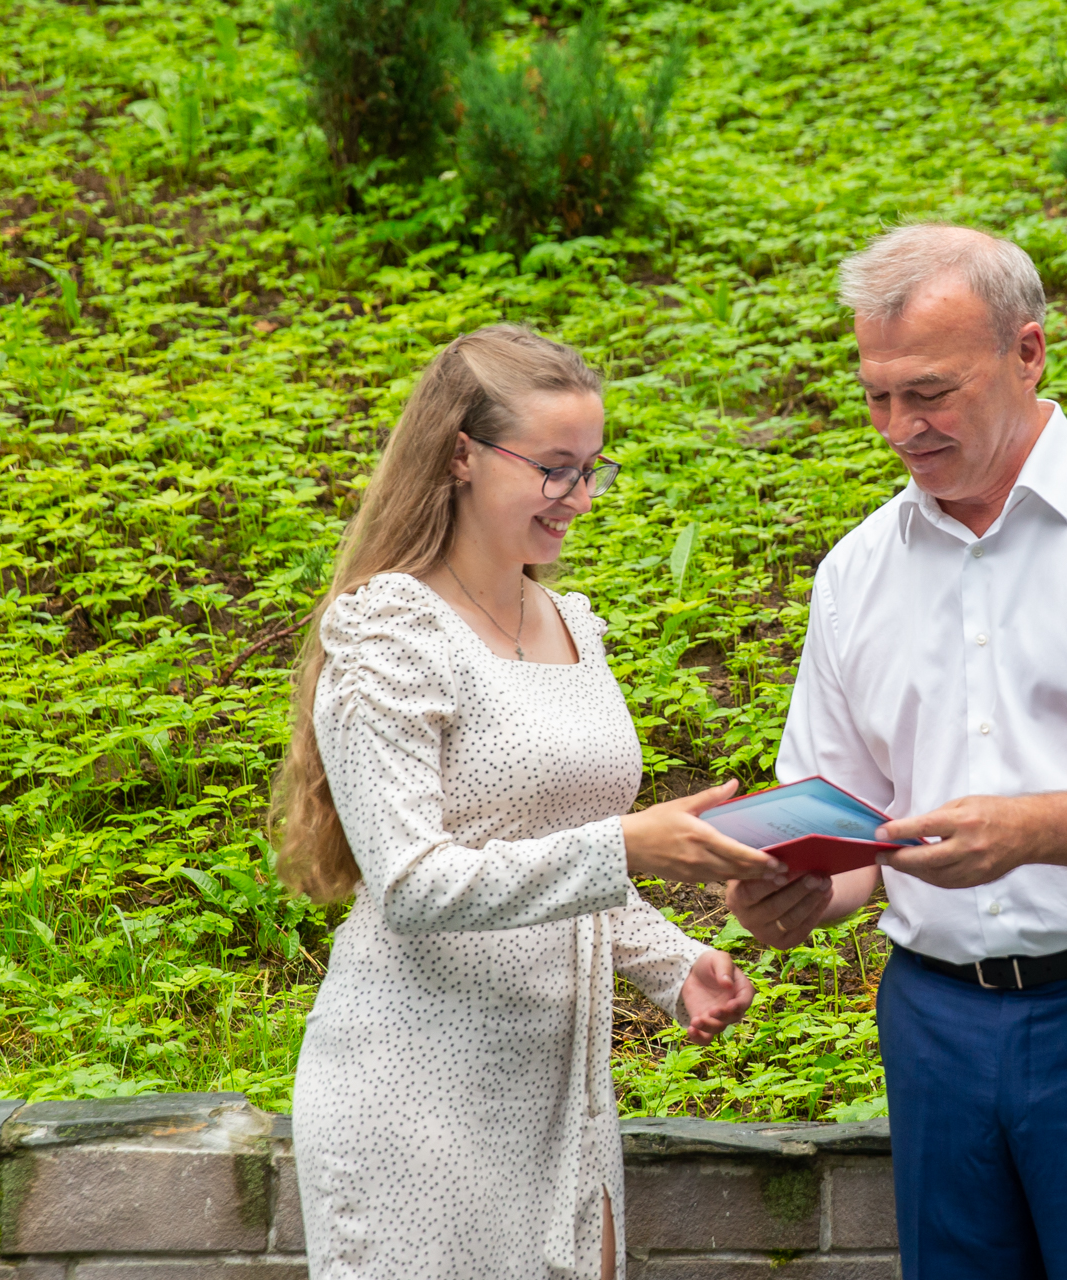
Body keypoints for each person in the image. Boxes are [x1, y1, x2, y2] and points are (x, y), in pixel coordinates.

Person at [725, 225, 1067, 1279]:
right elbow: (852, 823)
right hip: (932, 1024)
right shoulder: (856, 573)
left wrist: (1025, 832)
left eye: (930, 392)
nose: (900, 427)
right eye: (877, 396)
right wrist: (799, 893)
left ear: (1028, 354)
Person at [273, 325, 786, 1280]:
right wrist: (628, 847)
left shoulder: (569, 622)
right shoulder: (390, 630)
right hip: (414, 1094)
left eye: (593, 469)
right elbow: (414, 883)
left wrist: (673, 965)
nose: (580, 498)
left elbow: (559, 852)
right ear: (460, 455)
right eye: (555, 469)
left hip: (562, 1091)